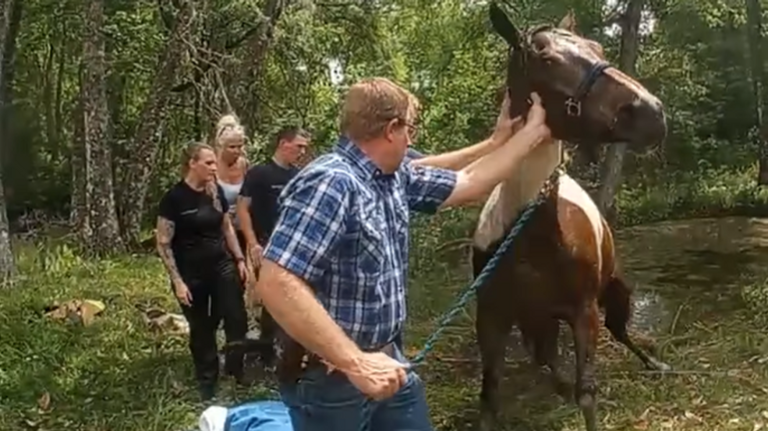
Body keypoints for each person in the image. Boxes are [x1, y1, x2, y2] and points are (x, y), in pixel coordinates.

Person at [254, 76, 552, 431]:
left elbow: (469, 181)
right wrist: (355, 363)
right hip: (329, 381)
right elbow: (276, 281)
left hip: (388, 363)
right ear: (391, 129)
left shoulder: (392, 177)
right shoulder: (331, 182)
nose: (412, 139)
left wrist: (531, 133)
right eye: (410, 128)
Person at [155, 141, 251, 401]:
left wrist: (240, 259)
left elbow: (226, 227)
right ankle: (207, 382)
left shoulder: (214, 190)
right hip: (190, 273)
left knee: (235, 315)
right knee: (202, 328)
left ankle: (236, 369)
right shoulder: (174, 199)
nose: (213, 167)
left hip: (221, 264)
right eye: (208, 163)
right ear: (192, 164)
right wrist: (177, 281)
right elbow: (163, 242)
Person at [235, 126, 310, 365]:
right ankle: (264, 350)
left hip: (291, 247)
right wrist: (252, 243)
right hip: (264, 244)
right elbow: (242, 210)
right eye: (299, 146)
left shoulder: (298, 175)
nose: (302, 151)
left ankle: (284, 350)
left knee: (289, 297)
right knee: (266, 297)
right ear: (283, 144)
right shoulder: (259, 174)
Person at [214, 114, 249, 251]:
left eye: (240, 147)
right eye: (232, 147)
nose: (237, 151)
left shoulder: (244, 164)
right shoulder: (212, 165)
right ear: (222, 146)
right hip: (219, 230)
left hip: (242, 228)